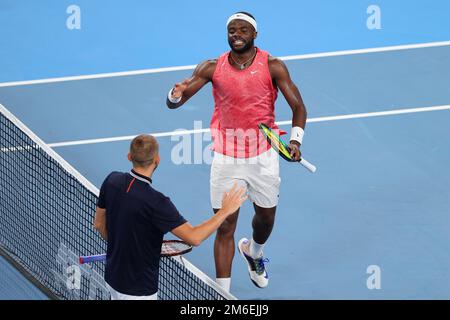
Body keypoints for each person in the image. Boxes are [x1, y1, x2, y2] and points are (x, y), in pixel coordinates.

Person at [166, 12, 308, 291]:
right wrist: (175, 93)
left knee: (266, 218)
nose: (237, 35)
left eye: (243, 30)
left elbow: (299, 108)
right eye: (232, 30)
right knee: (225, 225)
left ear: (255, 34)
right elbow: (175, 103)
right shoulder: (210, 67)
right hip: (226, 158)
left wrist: (295, 142)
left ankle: (254, 251)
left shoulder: (273, 66)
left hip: (263, 156)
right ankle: (223, 294)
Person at [93, 134, 247, 300]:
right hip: (138, 290)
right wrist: (224, 211)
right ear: (157, 160)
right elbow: (194, 237)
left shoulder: (111, 180)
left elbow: (99, 224)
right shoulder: (157, 203)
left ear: (129, 157)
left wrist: (122, 248)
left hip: (112, 277)